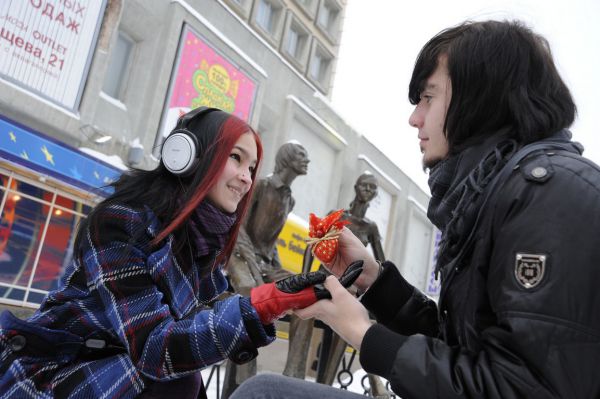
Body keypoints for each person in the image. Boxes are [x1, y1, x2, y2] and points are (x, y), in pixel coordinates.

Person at [231, 19, 600, 399]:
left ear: (479, 99)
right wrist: (375, 283)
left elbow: (522, 388)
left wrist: (365, 334)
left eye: (429, 98)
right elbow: (463, 349)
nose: (414, 118)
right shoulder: (496, 192)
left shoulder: (550, 197)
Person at [0, 107, 333, 398]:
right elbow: (154, 349)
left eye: (252, 168)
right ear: (186, 156)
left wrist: (284, 296)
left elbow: (216, 316)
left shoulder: (199, 246)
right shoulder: (120, 223)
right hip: (59, 379)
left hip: (122, 380)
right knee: (181, 384)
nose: (247, 178)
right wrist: (260, 307)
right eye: (236, 158)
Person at [222, 141, 312, 396]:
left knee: (306, 292)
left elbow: (270, 243)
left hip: (265, 261)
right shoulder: (260, 185)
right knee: (253, 293)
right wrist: (253, 264)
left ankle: (293, 379)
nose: (307, 161)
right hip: (239, 256)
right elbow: (239, 228)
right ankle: (244, 382)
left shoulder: (290, 199)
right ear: (286, 159)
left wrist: (278, 269)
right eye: (302, 155)